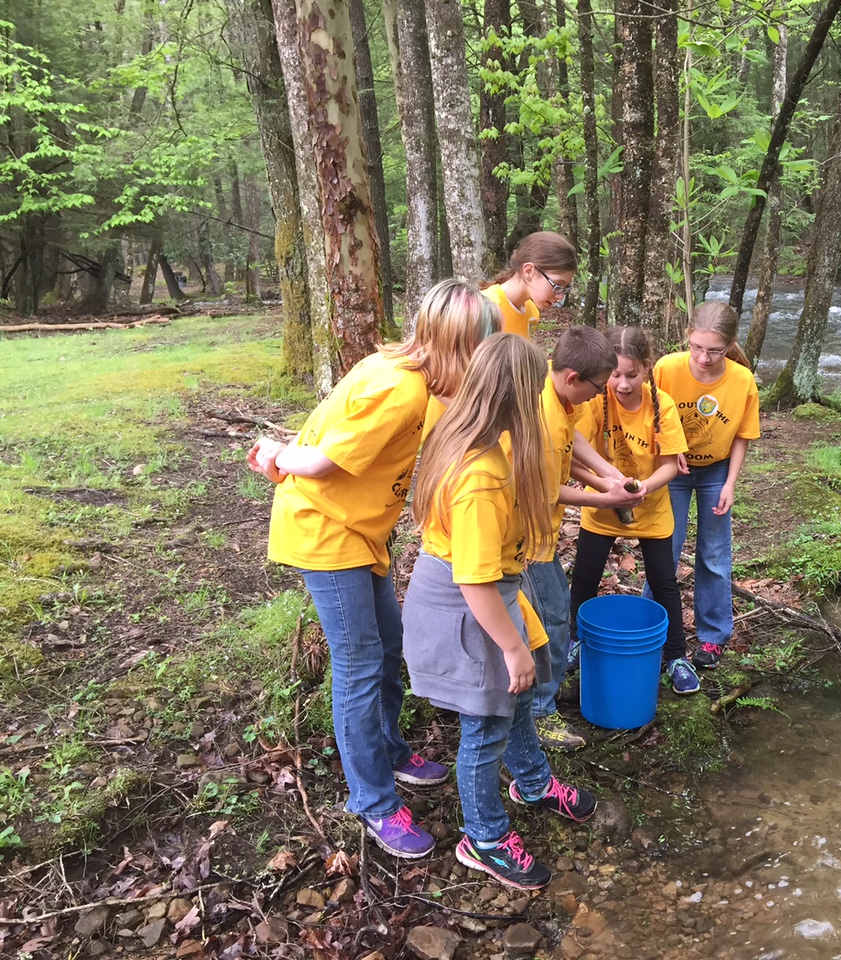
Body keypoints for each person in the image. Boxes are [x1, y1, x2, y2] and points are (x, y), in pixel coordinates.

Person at [245, 278, 499, 859]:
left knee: (389, 647)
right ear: (456, 348)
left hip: (363, 533)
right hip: (327, 534)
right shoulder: (399, 390)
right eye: (478, 354)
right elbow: (323, 459)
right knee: (358, 666)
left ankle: (388, 749)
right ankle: (373, 802)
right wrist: (279, 457)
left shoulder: (420, 382)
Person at [400, 333, 597, 890]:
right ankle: (483, 838)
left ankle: (533, 783)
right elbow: (474, 577)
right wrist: (512, 647)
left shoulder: (480, 437)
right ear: (516, 395)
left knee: (514, 706)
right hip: (470, 606)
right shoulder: (482, 474)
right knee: (486, 726)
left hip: (495, 591)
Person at [525, 326, 644, 751]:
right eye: (598, 386)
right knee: (551, 619)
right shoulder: (539, 412)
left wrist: (608, 476)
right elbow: (545, 487)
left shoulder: (561, 397)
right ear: (574, 376)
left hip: (543, 536)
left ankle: (546, 694)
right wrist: (600, 498)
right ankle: (540, 713)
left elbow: (569, 450)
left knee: (556, 612)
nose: (602, 394)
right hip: (524, 540)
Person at [570, 326, 698, 695]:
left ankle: (676, 656)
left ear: (647, 368)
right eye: (614, 374)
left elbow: (671, 465)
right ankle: (577, 641)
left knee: (663, 582)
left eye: (632, 374)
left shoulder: (664, 406)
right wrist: (607, 489)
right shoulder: (595, 401)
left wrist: (643, 488)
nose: (622, 384)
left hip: (652, 509)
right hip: (603, 505)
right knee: (585, 576)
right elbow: (575, 456)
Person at [650, 302, 761, 671]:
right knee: (664, 549)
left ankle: (713, 637)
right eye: (697, 347)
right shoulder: (667, 368)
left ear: (729, 345)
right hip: (673, 471)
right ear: (687, 337)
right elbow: (649, 416)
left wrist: (731, 482)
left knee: (714, 555)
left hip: (716, 471)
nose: (704, 357)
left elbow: (743, 435)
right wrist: (670, 453)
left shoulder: (742, 380)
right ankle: (656, 630)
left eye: (714, 350)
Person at [481, 231, 578, 338]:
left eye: (564, 288)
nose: (560, 297)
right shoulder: (485, 309)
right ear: (528, 271)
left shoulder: (532, 313)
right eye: (557, 285)